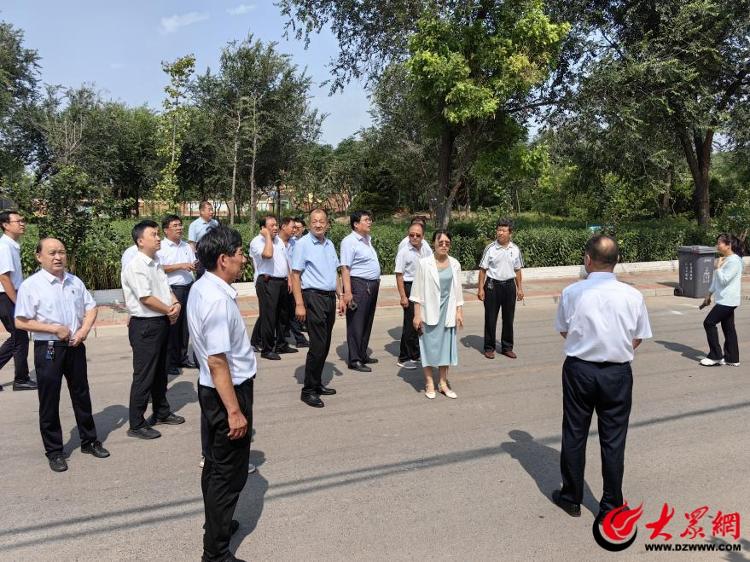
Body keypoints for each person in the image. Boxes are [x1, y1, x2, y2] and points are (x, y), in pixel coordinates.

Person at [552, 235, 652, 521]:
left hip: (579, 371)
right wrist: (614, 348)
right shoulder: (632, 295)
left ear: (587, 259)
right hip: (616, 373)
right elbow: (637, 337)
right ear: (616, 261)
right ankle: (611, 505)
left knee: (574, 433)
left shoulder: (572, 292)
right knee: (613, 439)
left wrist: (588, 344)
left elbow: (564, 330)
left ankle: (571, 497)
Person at [187, 225, 255, 562]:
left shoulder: (204, 288)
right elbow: (217, 361)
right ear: (223, 259)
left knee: (215, 466)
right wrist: (234, 411)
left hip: (215, 389)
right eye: (240, 253)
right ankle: (215, 554)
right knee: (228, 475)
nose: (244, 259)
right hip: (226, 392)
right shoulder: (215, 299)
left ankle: (219, 525)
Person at [14, 238, 110, 472]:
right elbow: (20, 321)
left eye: (62, 252)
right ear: (39, 257)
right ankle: (55, 450)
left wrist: (85, 329)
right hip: (49, 347)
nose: (58, 257)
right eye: (52, 253)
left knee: (81, 394)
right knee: (49, 400)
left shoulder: (74, 281)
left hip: (76, 345)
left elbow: (91, 306)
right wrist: (54, 329)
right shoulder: (32, 285)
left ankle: (89, 440)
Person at [121, 220, 185, 440]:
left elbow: (165, 289)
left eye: (158, 234)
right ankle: (136, 423)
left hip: (161, 322)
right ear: (140, 241)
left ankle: (161, 411)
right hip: (145, 325)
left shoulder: (156, 261)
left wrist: (175, 304)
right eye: (154, 235)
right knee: (144, 375)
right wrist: (169, 309)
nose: (158, 238)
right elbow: (146, 297)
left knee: (160, 372)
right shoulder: (136, 265)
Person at [291, 209, 343, 408]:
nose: (318, 224)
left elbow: (334, 273)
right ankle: (308, 390)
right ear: (309, 223)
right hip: (313, 297)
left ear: (327, 224)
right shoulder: (303, 244)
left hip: (329, 298)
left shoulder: (329, 244)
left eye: (322, 221)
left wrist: (341, 296)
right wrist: (299, 304)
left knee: (325, 343)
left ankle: (317, 382)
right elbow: (295, 275)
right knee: (318, 345)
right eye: (315, 221)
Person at [410, 230, 464, 399]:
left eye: (447, 243)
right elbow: (417, 291)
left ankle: (442, 383)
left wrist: (459, 311)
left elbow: (458, 290)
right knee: (427, 348)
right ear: (433, 243)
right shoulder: (424, 263)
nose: (443, 245)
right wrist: (417, 315)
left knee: (445, 350)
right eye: (440, 242)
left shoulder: (454, 264)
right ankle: (429, 383)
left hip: (447, 312)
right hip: (429, 312)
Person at [249, 215, 297, 360]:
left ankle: (281, 344)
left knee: (283, 314)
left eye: (276, 225)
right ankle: (267, 349)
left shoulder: (279, 242)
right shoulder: (257, 242)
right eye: (271, 226)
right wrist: (267, 237)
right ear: (263, 228)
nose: (275, 228)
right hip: (267, 282)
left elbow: (285, 261)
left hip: (282, 281)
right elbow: (268, 254)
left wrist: (288, 278)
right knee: (269, 316)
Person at [340, 210, 381, 372]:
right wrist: (347, 292)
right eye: (366, 220)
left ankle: (362, 353)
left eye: (370, 219)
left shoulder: (366, 239)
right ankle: (354, 359)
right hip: (358, 285)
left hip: (371, 285)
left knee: (367, 321)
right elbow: (345, 267)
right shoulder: (349, 241)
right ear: (356, 224)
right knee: (356, 322)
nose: (369, 222)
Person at [477, 218, 524, 359]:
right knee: (491, 318)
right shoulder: (490, 248)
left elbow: (517, 270)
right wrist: (480, 289)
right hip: (492, 286)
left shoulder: (515, 249)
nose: (500, 233)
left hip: (509, 286)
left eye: (503, 230)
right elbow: (482, 270)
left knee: (509, 319)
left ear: (510, 233)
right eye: (498, 230)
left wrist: (519, 288)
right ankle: (489, 347)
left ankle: (507, 347)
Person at [157, 214, 198, 375]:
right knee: (172, 325)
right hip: (171, 289)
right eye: (175, 225)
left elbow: (192, 262)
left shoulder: (186, 246)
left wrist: (194, 265)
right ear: (166, 230)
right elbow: (159, 268)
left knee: (185, 326)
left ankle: (182, 357)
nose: (180, 228)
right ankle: (171, 361)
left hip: (188, 287)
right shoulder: (161, 247)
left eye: (180, 225)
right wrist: (180, 266)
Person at [0, 210, 35, 391]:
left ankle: (21, 378)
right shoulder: (5, 246)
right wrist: (17, 300)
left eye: (23, 220)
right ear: (6, 225)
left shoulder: (11, 245)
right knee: (18, 337)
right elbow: (4, 277)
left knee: (19, 337)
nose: (22, 223)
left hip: (9, 295)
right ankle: (21, 379)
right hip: (6, 296)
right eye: (18, 221)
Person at [699, 233, 744, 367]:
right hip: (724, 299)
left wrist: (717, 268)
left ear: (728, 245)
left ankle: (716, 356)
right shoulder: (725, 259)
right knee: (728, 327)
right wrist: (709, 295)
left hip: (728, 300)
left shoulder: (735, 261)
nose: (717, 245)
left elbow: (724, 280)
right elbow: (717, 280)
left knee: (709, 323)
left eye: (719, 243)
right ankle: (732, 358)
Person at [394, 221, 432, 369]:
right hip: (410, 287)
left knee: (420, 323)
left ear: (423, 236)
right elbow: (399, 275)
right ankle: (404, 357)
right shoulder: (404, 251)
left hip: (423, 287)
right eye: (411, 235)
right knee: (410, 324)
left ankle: (415, 354)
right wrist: (403, 296)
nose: (414, 237)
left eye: (418, 235)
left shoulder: (426, 249)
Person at [278, 216, 308, 348]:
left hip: (292, 281)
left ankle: (293, 338)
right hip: (281, 281)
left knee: (288, 311)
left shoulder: (295, 243)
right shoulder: (277, 242)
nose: (294, 230)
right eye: (293, 227)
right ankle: (260, 340)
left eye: (297, 227)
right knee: (280, 312)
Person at [188, 201, 219, 279]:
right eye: (209, 210)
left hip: (214, 254)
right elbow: (192, 244)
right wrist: (194, 259)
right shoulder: (194, 225)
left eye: (212, 210)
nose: (212, 212)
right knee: (202, 276)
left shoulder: (215, 223)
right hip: (201, 255)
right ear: (202, 211)